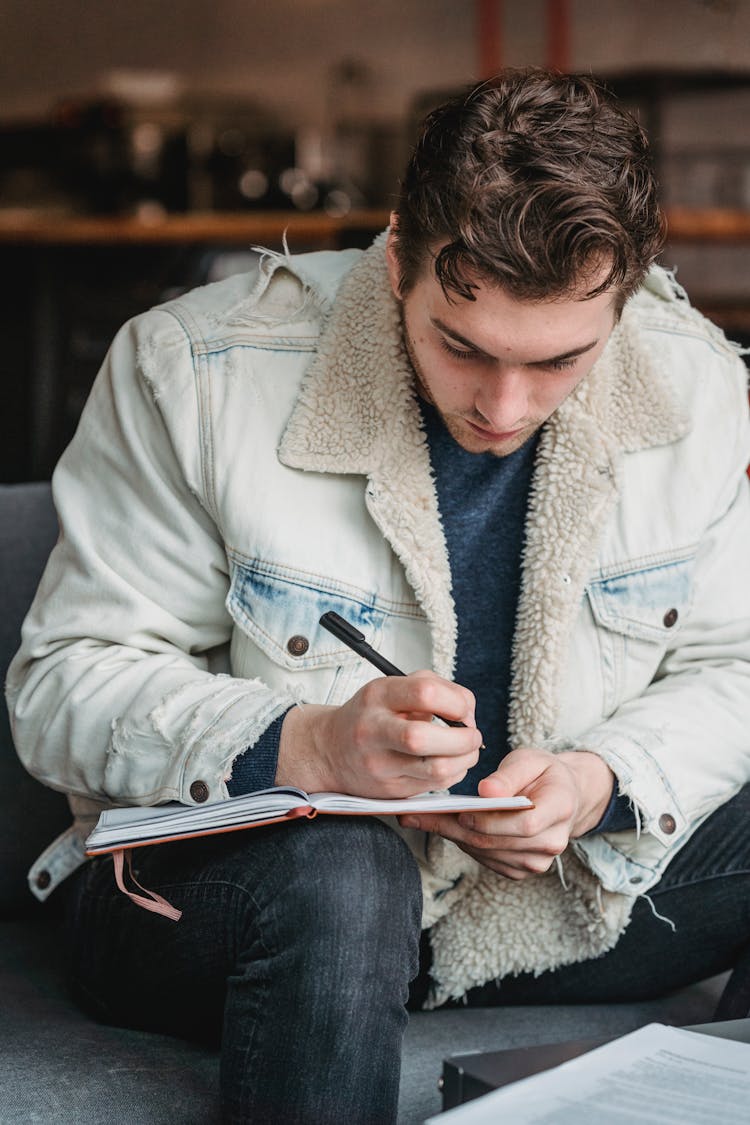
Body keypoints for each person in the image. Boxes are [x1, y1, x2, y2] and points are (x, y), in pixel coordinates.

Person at [7, 67, 750, 1123]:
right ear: (397, 258)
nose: (504, 406)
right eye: (461, 345)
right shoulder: (193, 370)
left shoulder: (702, 381)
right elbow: (59, 688)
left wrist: (600, 782)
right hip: (225, 906)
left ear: (622, 300)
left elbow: (734, 668)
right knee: (348, 874)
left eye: (559, 363)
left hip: (540, 907)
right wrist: (309, 746)